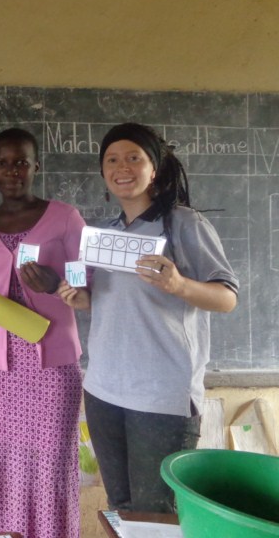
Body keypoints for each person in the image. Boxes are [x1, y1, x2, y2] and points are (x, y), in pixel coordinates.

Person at [58, 122, 238, 513]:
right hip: (104, 389)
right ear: (103, 171)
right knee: (121, 506)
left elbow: (227, 298)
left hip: (160, 395)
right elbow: (114, 303)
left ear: (153, 168)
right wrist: (81, 298)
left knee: (156, 512)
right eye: (112, 159)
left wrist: (179, 285)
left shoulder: (183, 224)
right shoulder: (105, 234)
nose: (122, 167)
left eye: (133, 158)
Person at [0, 128, 84, 538]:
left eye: (21, 162)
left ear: (36, 166)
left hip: (52, 367)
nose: (12, 171)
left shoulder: (65, 217)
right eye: (2, 162)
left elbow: (86, 281)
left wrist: (57, 282)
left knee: (49, 470)